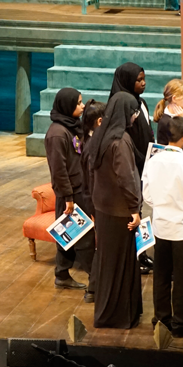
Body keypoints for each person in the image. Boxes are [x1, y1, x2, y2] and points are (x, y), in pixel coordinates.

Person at [142, 117, 183, 338]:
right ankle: (180, 322)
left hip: (161, 226)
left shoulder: (153, 161)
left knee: (162, 275)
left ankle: (162, 318)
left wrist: (162, 205)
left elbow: (147, 194)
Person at [88, 92, 143, 328]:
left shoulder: (99, 136)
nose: (136, 115)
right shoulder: (119, 141)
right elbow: (127, 178)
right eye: (134, 111)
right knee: (120, 264)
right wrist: (135, 208)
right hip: (120, 210)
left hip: (103, 207)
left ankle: (110, 313)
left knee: (108, 263)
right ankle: (118, 316)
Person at [44, 88, 95, 296]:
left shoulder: (72, 127)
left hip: (78, 190)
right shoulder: (57, 134)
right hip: (71, 195)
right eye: (78, 103)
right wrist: (67, 197)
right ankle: (96, 279)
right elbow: (58, 170)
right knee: (83, 236)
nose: (82, 107)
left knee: (66, 234)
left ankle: (62, 275)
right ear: (67, 106)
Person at [79, 99, 106, 303]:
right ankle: (94, 289)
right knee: (101, 247)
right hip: (95, 205)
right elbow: (90, 182)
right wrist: (94, 210)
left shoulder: (89, 143)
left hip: (94, 203)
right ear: (98, 121)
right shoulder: (91, 148)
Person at [110, 62, 155, 176]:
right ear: (127, 81)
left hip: (147, 163)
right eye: (139, 80)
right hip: (132, 166)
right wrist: (142, 160)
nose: (143, 83)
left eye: (144, 79)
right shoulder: (119, 107)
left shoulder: (142, 103)